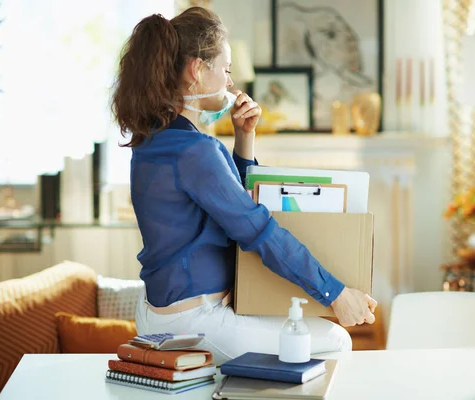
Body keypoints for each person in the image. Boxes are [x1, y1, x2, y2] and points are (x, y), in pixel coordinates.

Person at [111, 7, 377, 364]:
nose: (231, 83)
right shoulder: (196, 150)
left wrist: (244, 140)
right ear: (197, 71)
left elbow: (225, 204)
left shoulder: (155, 141)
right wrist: (336, 294)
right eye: (226, 70)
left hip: (163, 315)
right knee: (337, 341)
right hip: (195, 323)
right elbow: (257, 230)